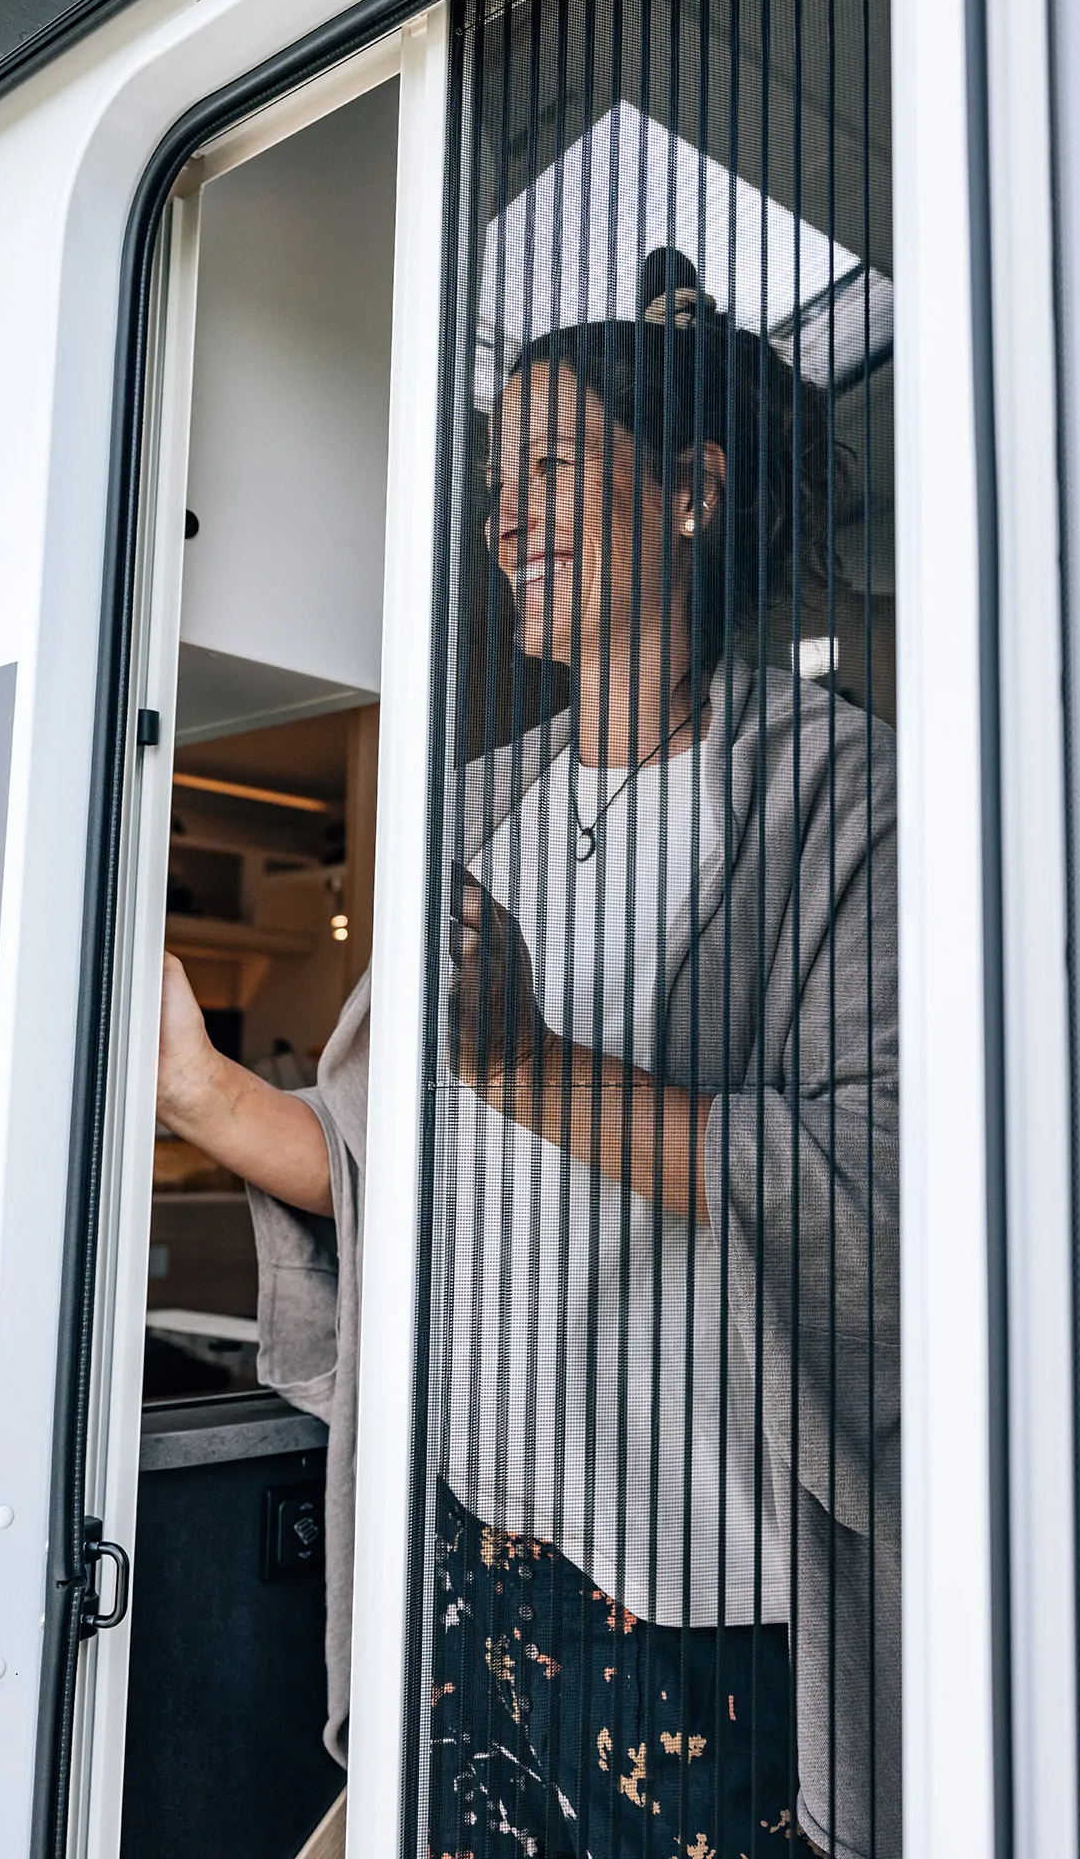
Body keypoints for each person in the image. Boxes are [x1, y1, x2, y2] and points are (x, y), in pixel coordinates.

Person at [157, 247, 899, 1859]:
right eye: (497, 477)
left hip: (710, 1622)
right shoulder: (479, 806)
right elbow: (377, 1174)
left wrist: (530, 1067)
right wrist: (198, 1086)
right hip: (470, 1570)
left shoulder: (845, 799)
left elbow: (882, 1205)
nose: (507, 518)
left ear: (690, 493)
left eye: (553, 461)